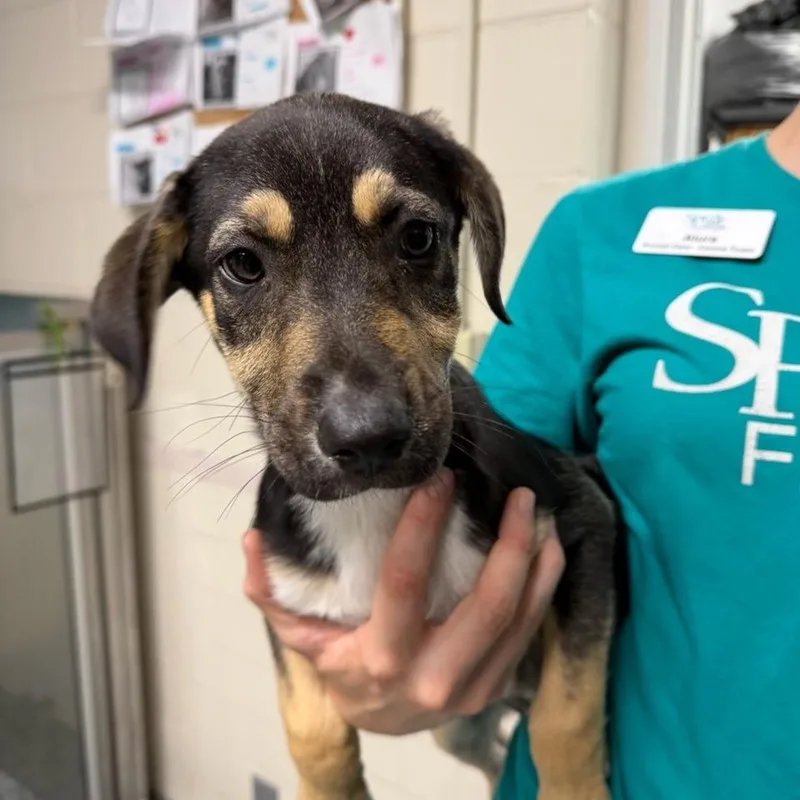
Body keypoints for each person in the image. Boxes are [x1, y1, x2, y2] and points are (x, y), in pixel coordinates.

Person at [243, 102, 800, 798]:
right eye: (242, 262)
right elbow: (515, 480)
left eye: (416, 239)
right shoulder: (602, 232)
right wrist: (364, 705)